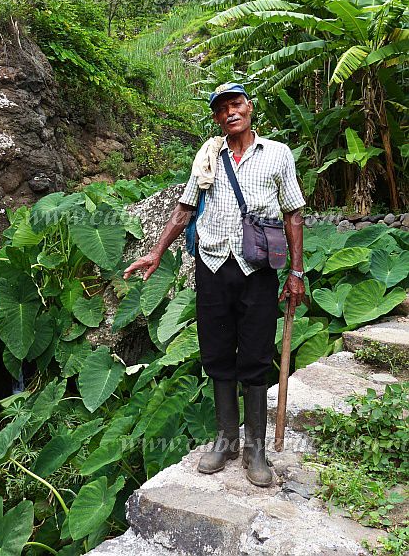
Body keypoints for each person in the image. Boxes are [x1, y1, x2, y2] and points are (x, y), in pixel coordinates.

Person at [123, 82, 306, 487]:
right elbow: (185, 208)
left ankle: (254, 447)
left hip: (256, 266)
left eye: (236, 104)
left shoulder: (277, 154)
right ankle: (226, 439)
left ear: (250, 107)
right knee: (217, 351)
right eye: (222, 109)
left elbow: (294, 212)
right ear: (216, 118)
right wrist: (156, 252)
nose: (230, 113)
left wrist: (296, 272)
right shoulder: (208, 155)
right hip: (211, 264)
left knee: (256, 353)